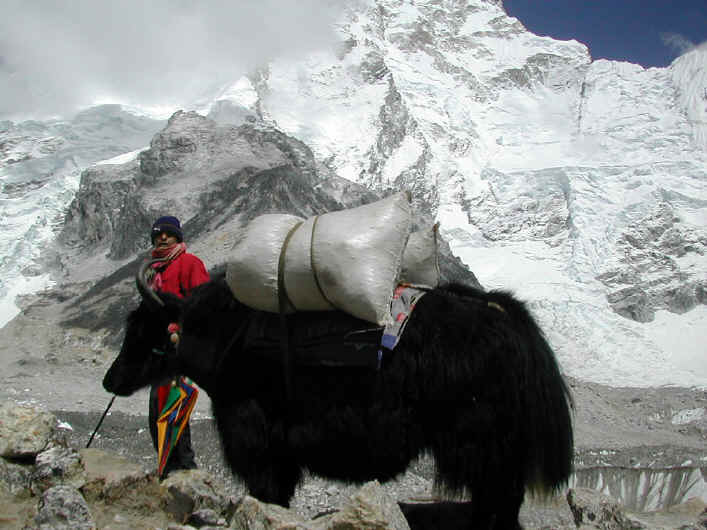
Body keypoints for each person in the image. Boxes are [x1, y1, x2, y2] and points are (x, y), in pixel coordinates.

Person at [146, 215, 210, 477]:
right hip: (160, 351)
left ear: (178, 237)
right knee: (159, 410)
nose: (163, 237)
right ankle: (173, 467)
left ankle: (183, 471)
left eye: (168, 234)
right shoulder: (153, 270)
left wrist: (180, 329)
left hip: (180, 349)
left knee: (170, 408)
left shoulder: (189, 263)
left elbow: (204, 304)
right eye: (158, 234)